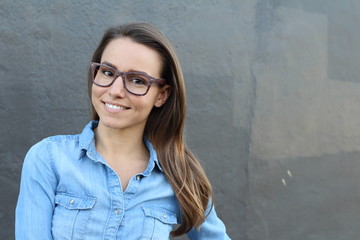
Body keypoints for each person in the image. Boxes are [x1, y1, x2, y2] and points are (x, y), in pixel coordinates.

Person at [16, 22, 231, 239]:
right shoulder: (49, 159)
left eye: (137, 80)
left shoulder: (181, 176)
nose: (115, 90)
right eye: (108, 72)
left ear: (161, 95)